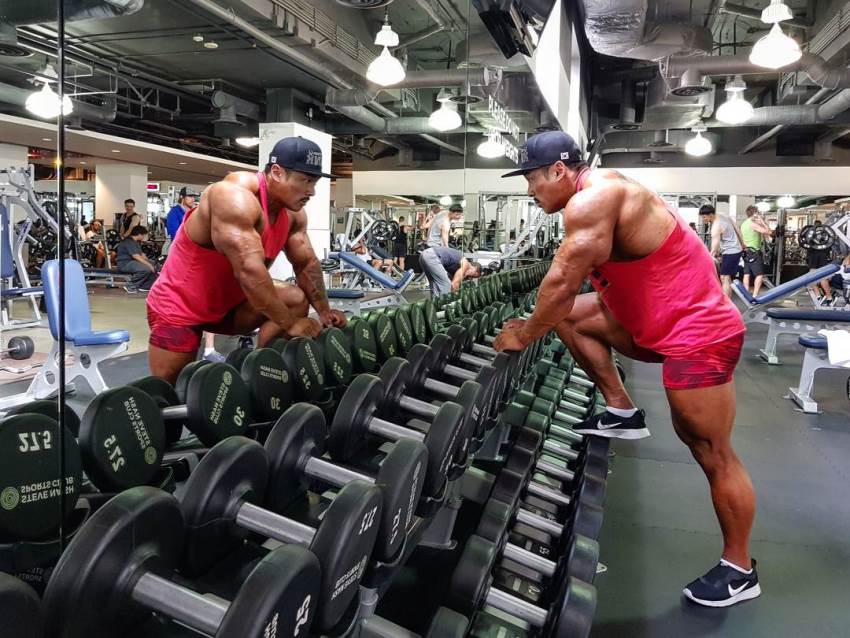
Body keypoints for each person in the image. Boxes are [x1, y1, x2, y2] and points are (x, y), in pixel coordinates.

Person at [492, 131, 757, 608]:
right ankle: (620, 408)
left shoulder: (594, 200)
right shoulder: (596, 191)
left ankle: (739, 568)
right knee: (569, 319)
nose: (529, 192)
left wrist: (525, 333)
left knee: (708, 449)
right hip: (650, 322)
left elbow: (560, 282)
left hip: (699, 335)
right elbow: (562, 303)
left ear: (558, 171)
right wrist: (539, 322)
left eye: (532, 179)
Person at [145, 136, 347, 384]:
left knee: (294, 299)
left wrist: (324, 312)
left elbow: (306, 264)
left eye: (314, 182)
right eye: (305, 180)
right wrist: (291, 323)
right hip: (180, 307)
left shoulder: (292, 215)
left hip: (230, 308)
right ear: (277, 172)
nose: (312, 191)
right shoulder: (233, 196)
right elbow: (249, 272)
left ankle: (263, 375)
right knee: (168, 394)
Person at [699, 204, 744, 298]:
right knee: (726, 277)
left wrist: (708, 258)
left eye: (704, 217)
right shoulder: (723, 215)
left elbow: (714, 247)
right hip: (735, 249)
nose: (703, 219)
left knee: (724, 277)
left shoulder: (716, 226)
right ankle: (728, 300)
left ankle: (726, 303)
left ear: (711, 214)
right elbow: (737, 229)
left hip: (731, 251)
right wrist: (742, 244)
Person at [739, 205, 773, 298]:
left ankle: (746, 294)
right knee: (759, 275)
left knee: (747, 273)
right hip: (754, 251)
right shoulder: (752, 224)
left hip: (746, 251)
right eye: (757, 213)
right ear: (754, 214)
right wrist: (762, 221)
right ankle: (755, 295)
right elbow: (769, 232)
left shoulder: (744, 224)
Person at [117, 226, 157, 292]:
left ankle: (145, 286)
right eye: (143, 235)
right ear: (139, 234)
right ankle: (130, 286)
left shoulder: (137, 242)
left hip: (133, 262)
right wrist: (149, 265)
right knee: (146, 269)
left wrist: (152, 263)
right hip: (125, 264)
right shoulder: (128, 241)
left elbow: (141, 254)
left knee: (155, 265)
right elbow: (136, 256)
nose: (144, 237)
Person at [805, 220, 835, 305]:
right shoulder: (824, 235)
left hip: (818, 255)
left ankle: (824, 296)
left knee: (816, 277)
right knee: (817, 277)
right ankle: (824, 297)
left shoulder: (821, 235)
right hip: (819, 255)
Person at [164, 187, 198, 256]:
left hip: (193, 248)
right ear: (182, 197)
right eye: (190, 196)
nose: (193, 199)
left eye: (194, 197)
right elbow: (174, 232)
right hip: (180, 248)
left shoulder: (195, 212)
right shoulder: (174, 212)